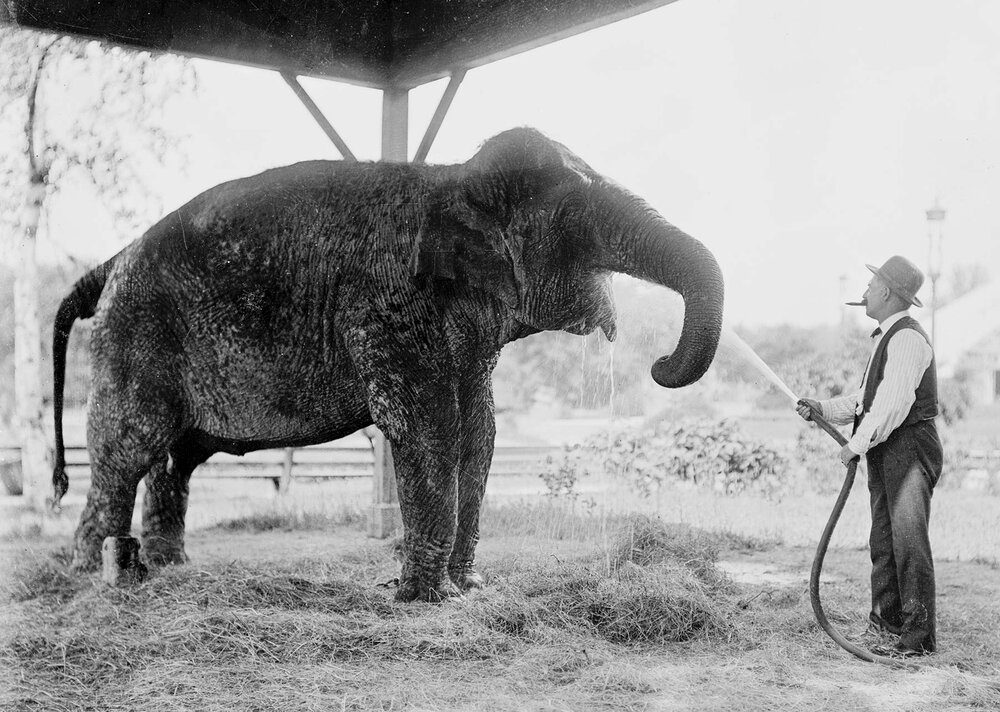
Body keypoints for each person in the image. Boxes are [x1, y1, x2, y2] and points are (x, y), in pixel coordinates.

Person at [796, 255, 943, 656]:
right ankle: (885, 626)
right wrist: (823, 409)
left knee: (908, 544)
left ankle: (917, 641)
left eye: (871, 283)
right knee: (883, 540)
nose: (864, 292)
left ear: (885, 291)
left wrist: (854, 446)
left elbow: (892, 406)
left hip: (910, 450)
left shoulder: (908, 339)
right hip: (889, 448)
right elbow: (867, 401)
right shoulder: (887, 338)